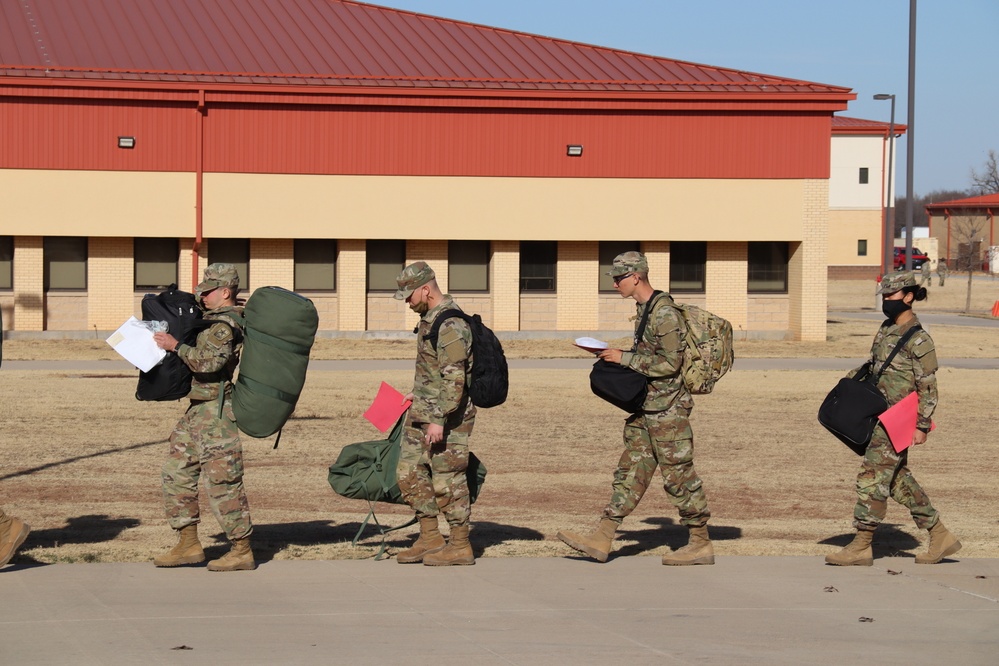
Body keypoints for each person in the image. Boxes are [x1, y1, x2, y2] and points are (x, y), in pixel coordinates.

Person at [557, 251, 714, 565]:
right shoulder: (645, 309)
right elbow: (651, 357)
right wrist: (611, 354)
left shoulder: (664, 312)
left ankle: (700, 542)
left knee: (679, 476)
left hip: (668, 410)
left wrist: (623, 358)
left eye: (619, 278)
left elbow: (670, 363)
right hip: (649, 407)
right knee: (631, 471)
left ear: (636, 277)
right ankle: (602, 536)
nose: (615, 284)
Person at [825, 271, 961, 566]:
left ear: (909, 296)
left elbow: (928, 387)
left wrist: (922, 426)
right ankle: (940, 535)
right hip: (876, 416)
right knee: (897, 480)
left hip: (897, 421)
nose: (887, 300)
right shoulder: (886, 328)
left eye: (892, 295)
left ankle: (862, 544)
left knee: (871, 478)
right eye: (884, 296)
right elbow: (874, 368)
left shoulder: (920, 339)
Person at [151, 263, 255, 571]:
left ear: (225, 292)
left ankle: (241, 549)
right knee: (176, 471)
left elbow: (210, 364)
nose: (202, 296)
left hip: (217, 412)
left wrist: (176, 347)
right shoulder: (209, 320)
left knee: (223, 481)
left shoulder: (226, 325)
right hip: (197, 409)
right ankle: (188, 543)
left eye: (207, 291)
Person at [393, 262, 477, 566]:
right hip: (424, 411)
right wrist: (421, 392)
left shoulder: (451, 324)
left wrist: (438, 419)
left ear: (425, 289)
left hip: (448, 418)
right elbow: (437, 373)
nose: (406, 301)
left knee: (447, 481)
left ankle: (460, 545)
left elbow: (455, 381)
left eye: (409, 295)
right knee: (409, 473)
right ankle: (429, 536)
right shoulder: (431, 319)